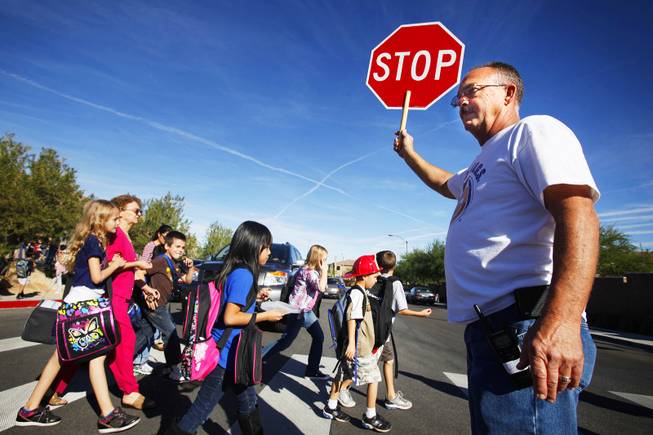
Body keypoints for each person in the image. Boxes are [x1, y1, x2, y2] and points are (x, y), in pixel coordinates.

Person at [394, 62, 599, 434]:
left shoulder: (533, 132)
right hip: (492, 330)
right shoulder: (481, 163)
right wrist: (410, 155)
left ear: (508, 93)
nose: (462, 101)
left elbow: (579, 216)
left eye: (472, 90)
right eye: (458, 97)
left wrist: (562, 322)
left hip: (528, 323)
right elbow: (445, 182)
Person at [15, 199, 140, 433]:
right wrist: (114, 265)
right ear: (101, 220)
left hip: (79, 303)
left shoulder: (92, 241)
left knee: (62, 357)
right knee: (96, 357)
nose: (117, 222)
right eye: (114, 218)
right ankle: (108, 415)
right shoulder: (94, 243)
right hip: (85, 305)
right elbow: (96, 277)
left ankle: (30, 408)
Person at [167, 221, 287, 435]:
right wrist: (265, 315)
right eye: (266, 247)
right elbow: (231, 317)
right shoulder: (245, 275)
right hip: (225, 355)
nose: (269, 252)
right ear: (252, 246)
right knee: (200, 410)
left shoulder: (234, 269)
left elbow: (228, 298)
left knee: (248, 402)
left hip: (235, 354)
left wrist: (254, 296)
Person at [323, 255, 392, 433]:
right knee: (374, 377)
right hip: (359, 347)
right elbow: (352, 318)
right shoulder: (357, 293)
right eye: (374, 276)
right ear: (364, 276)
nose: (376, 280)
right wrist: (352, 345)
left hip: (354, 345)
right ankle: (370, 416)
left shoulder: (357, 291)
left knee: (342, 373)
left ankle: (331, 406)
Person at [106, 194, 154, 410]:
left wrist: (145, 287)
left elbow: (128, 268)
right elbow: (109, 263)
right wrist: (137, 263)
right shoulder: (115, 234)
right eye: (136, 210)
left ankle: (56, 388)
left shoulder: (124, 235)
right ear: (121, 211)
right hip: (113, 296)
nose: (139, 214)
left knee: (94, 348)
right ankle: (129, 391)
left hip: (123, 296)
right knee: (125, 342)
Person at [134, 230, 196, 380]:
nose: (180, 250)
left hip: (159, 304)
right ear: (167, 246)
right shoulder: (160, 261)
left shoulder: (174, 263)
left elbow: (187, 280)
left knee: (146, 333)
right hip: (155, 305)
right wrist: (147, 290)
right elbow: (138, 273)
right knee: (171, 332)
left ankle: (121, 359)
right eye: (177, 246)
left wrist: (191, 268)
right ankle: (174, 369)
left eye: (182, 247)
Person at [263, 244, 330, 379]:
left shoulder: (308, 271)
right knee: (286, 341)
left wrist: (322, 274)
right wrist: (326, 271)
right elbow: (322, 288)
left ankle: (312, 371)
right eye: (325, 259)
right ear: (319, 259)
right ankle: (259, 358)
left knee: (318, 337)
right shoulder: (308, 272)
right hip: (299, 312)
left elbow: (323, 286)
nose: (326, 263)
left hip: (305, 311)